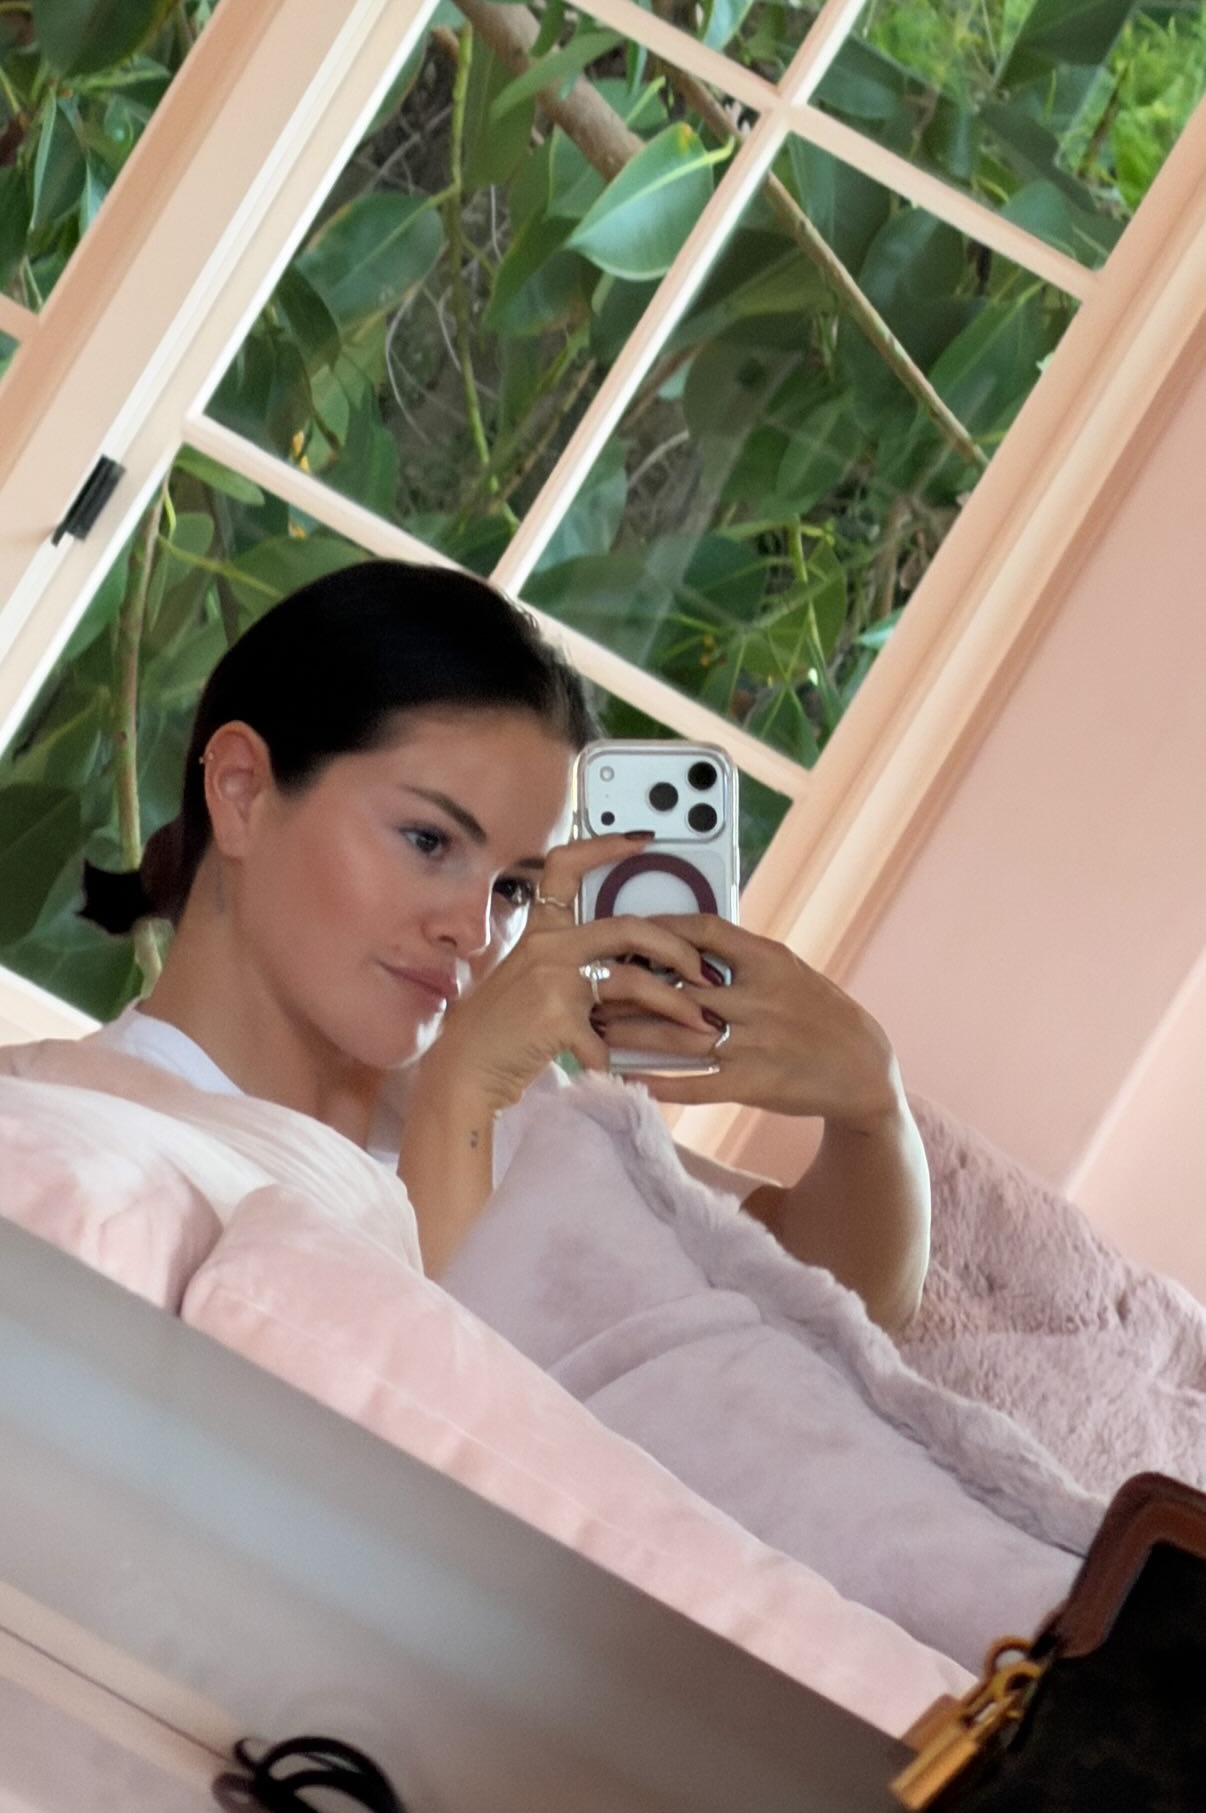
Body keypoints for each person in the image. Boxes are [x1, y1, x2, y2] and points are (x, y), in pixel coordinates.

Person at [81, 559, 930, 1333]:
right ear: (241, 791)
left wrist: (870, 1111)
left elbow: (825, 1314)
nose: (476, 930)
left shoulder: (517, 1112)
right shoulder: (91, 1150)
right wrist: (456, 1105)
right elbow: (423, 1409)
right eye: (428, 840)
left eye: (516, 888)